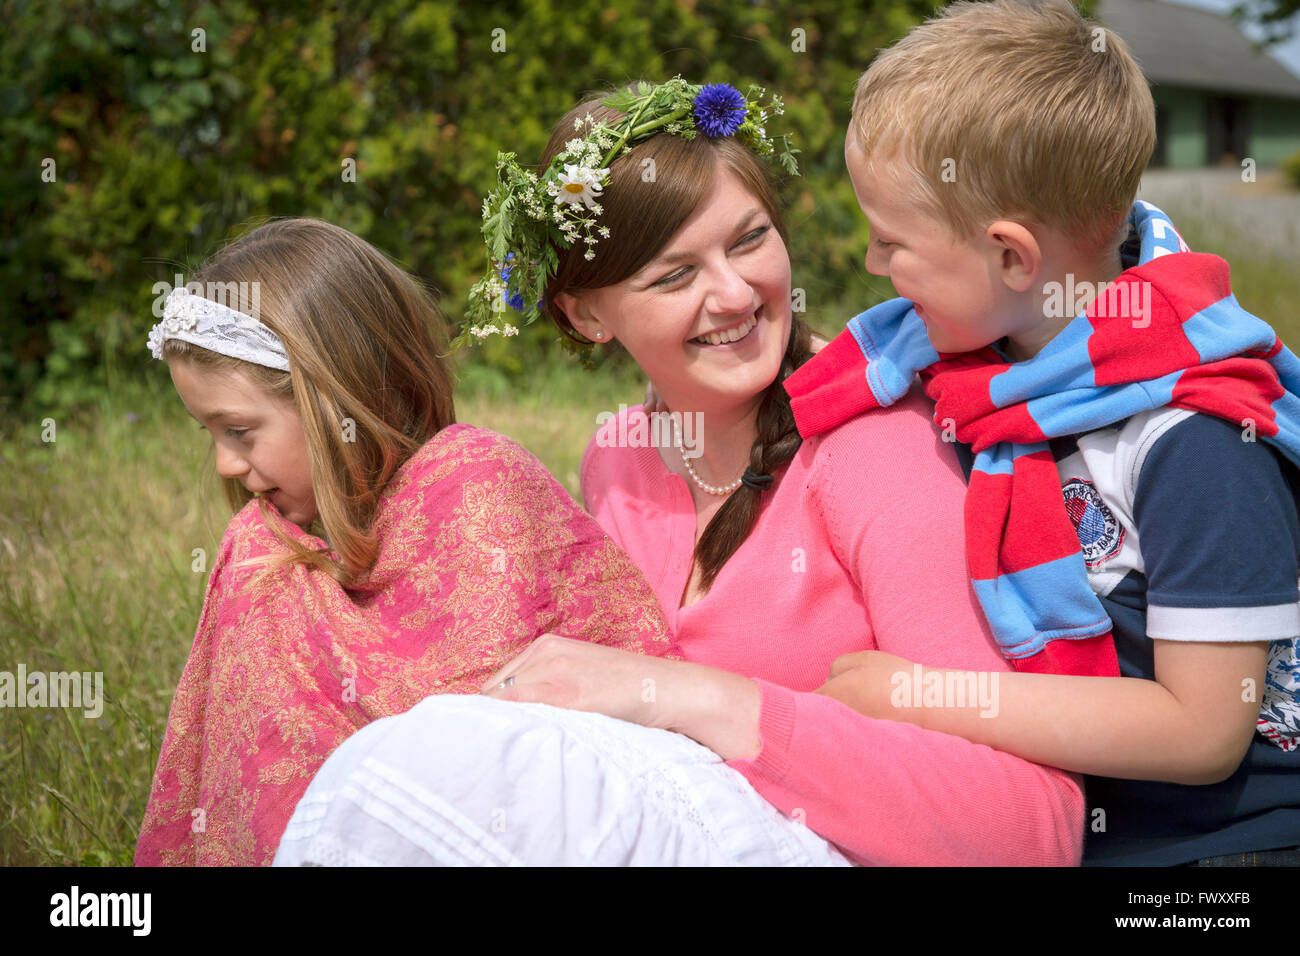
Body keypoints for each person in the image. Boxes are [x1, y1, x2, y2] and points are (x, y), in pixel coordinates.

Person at [273, 79, 1085, 867]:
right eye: (673, 275)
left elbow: (1033, 831)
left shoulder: (875, 448)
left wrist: (709, 702)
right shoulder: (618, 458)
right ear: (587, 315)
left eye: (750, 240)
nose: (735, 294)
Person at [788, 0, 1300, 865]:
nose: (874, 269)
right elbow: (841, 372)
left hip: (1220, 854)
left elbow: (1203, 730)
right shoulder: (994, 366)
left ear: (1014, 258)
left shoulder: (1196, 436)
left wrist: (922, 695)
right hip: (1075, 827)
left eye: (891, 243)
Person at [135, 218, 678, 866]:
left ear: (331, 398)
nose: (225, 464)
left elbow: (499, 727)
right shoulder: (274, 557)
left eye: (239, 431)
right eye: (211, 434)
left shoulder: (475, 482)